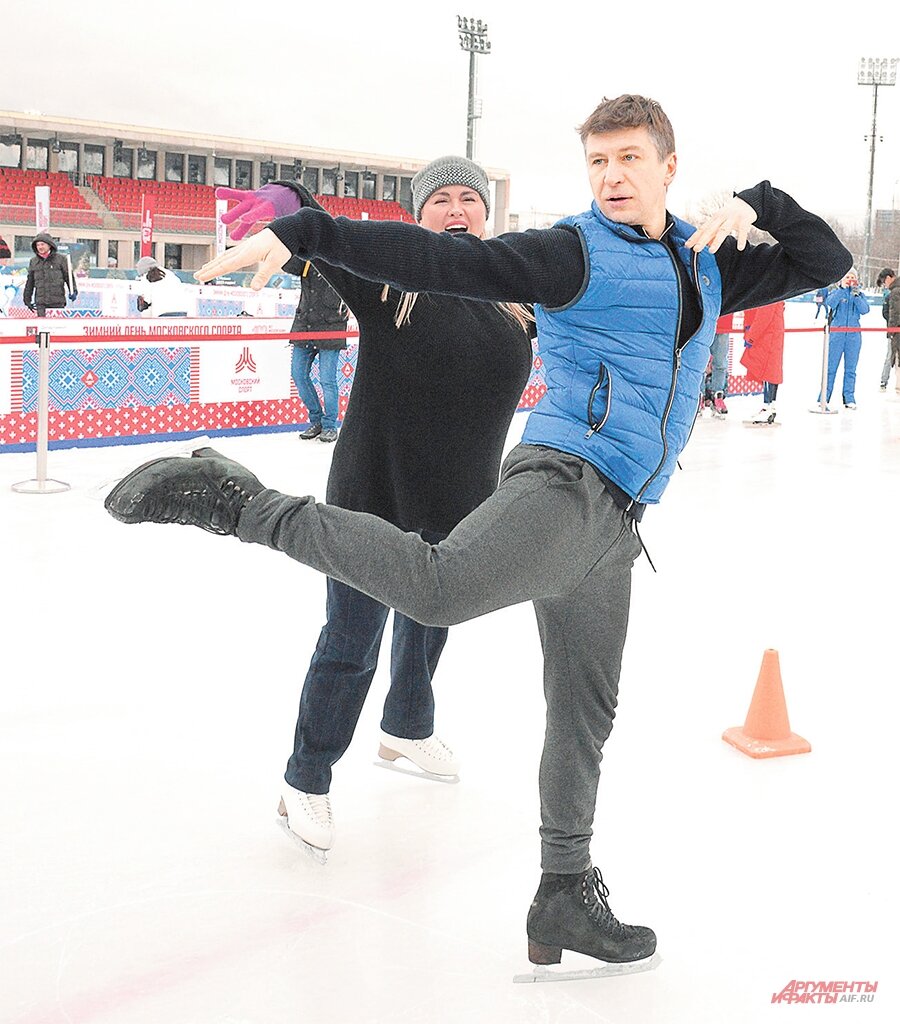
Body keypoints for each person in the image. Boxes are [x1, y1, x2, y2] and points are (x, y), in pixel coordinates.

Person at [106, 94, 851, 970]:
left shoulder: (707, 265)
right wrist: (310, 232)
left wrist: (760, 200)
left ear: (669, 167)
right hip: (566, 480)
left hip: (618, 519)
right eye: (598, 162)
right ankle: (238, 502)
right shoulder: (573, 253)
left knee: (584, 714)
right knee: (436, 589)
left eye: (628, 160)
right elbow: (433, 257)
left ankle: (562, 894)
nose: (611, 177)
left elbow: (825, 258)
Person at [214, 158, 534, 851]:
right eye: (441, 200)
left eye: (469, 200)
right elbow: (326, 235)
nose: (457, 209)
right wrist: (286, 204)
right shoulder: (394, 282)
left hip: (461, 500)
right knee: (352, 641)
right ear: (420, 217)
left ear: (487, 213)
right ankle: (305, 778)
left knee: (432, 619)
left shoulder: (516, 298)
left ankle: (407, 727)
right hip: (374, 492)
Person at [288, 260, 350, 443]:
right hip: (304, 324)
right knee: (298, 374)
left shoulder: (342, 261)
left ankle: (330, 425)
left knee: (327, 380)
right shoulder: (306, 258)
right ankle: (316, 420)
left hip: (332, 326)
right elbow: (289, 265)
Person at [818, 269, 869, 410]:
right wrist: (842, 289)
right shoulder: (836, 292)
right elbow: (830, 303)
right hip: (837, 334)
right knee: (830, 368)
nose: (850, 279)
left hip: (854, 336)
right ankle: (823, 397)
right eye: (848, 277)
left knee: (851, 369)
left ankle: (849, 398)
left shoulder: (859, 294)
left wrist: (856, 295)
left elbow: (865, 310)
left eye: (853, 277)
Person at [741, 301, 785, 424]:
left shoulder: (771, 292)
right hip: (770, 336)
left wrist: (751, 337)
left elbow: (763, 317)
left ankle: (768, 406)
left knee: (768, 373)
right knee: (770, 372)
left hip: (767, 338)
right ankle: (770, 407)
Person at [23, 232, 77, 317]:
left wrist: (73, 291)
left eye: (42, 244)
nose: (40, 247)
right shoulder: (33, 261)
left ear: (49, 245)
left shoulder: (61, 259)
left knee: (57, 327)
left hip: (57, 302)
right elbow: (30, 282)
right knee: (42, 327)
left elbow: (69, 277)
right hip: (41, 303)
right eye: (38, 245)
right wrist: (27, 299)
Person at [703, 313, 731, 416]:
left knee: (720, 363)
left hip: (723, 322)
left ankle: (718, 396)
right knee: (701, 362)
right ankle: (700, 397)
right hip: (703, 321)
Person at [876, 268, 896, 391]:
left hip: (894, 330)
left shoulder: (894, 292)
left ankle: (884, 381)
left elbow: (890, 314)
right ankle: (884, 381)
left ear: (889, 278)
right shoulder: (889, 294)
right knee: (890, 356)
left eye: (884, 282)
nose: (885, 285)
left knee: (890, 356)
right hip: (892, 329)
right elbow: (886, 313)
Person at [886, 270, 900, 393]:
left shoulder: (895, 292)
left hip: (898, 330)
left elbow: (894, 313)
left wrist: (891, 330)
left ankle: (898, 385)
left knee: (897, 355)